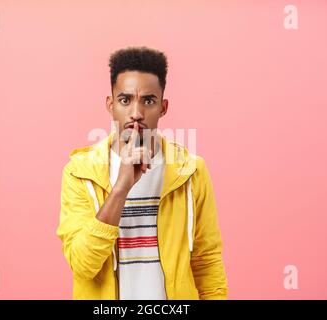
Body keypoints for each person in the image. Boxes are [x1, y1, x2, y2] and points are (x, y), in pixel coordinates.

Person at [56, 46, 228, 300]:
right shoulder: (80, 172)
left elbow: (207, 261)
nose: (136, 113)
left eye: (148, 100)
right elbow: (83, 265)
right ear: (110, 104)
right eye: (125, 100)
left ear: (163, 107)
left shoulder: (191, 171)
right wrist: (120, 189)